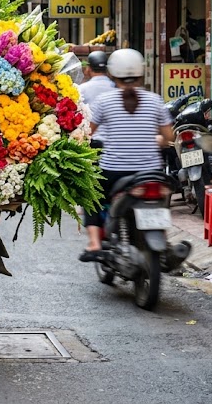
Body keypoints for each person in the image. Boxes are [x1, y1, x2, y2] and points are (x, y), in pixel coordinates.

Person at [79, 48, 173, 262]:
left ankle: (94, 243)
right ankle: (163, 239)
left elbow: (87, 133)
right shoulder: (155, 100)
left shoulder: (104, 101)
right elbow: (168, 136)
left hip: (113, 171)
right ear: (141, 74)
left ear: (113, 74)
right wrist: (156, 140)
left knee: (90, 193)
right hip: (151, 172)